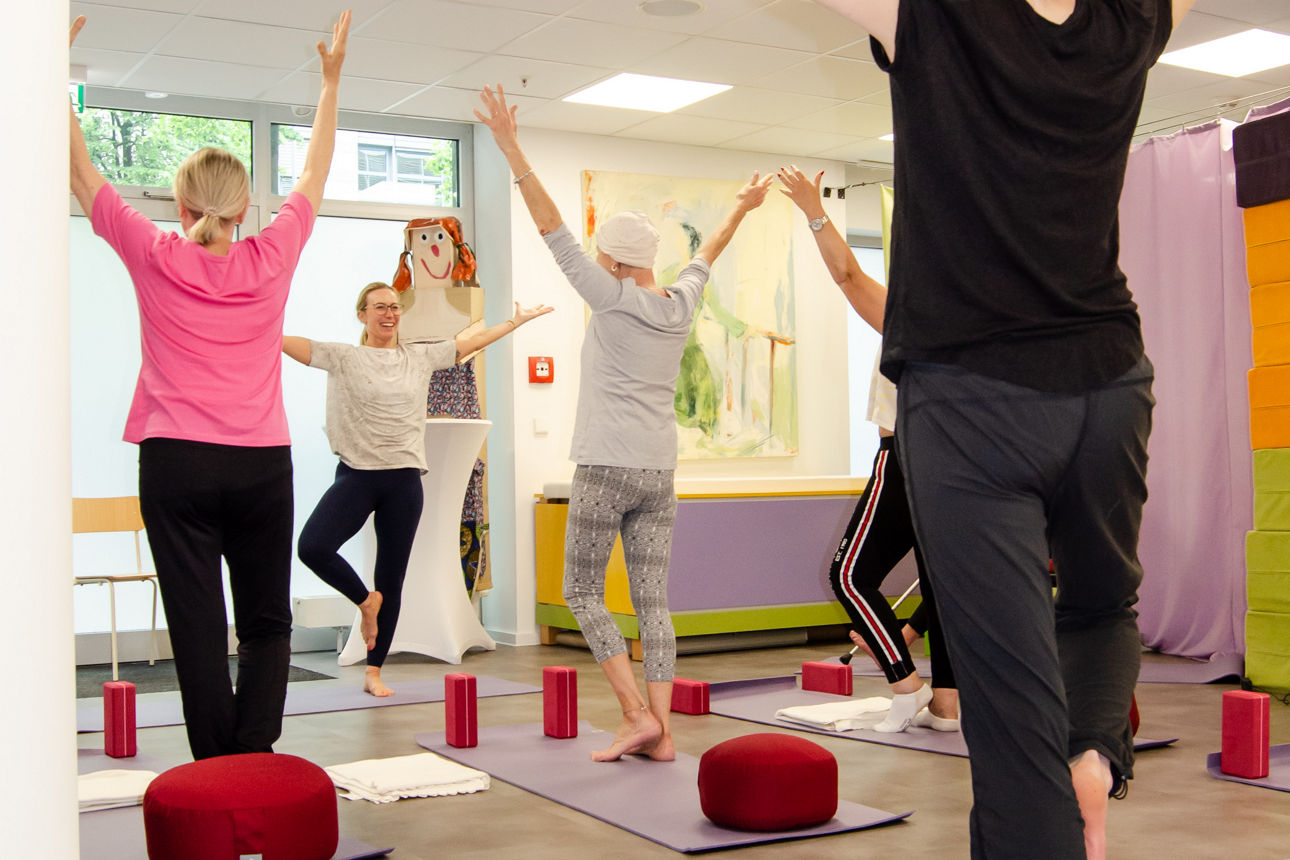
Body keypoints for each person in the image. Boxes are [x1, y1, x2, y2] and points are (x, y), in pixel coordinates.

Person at [808, 1, 1197, 857]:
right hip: (1111, 386)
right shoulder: (1128, 17)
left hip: (973, 395)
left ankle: (1059, 792)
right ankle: (1095, 751)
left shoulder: (932, 12)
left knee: (1009, 705)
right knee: (1100, 607)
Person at [68, 11, 350, 759]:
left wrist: (49, 79)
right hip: (260, 464)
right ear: (245, 206)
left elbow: (79, 170)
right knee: (266, 622)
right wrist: (329, 83)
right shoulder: (273, 252)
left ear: (180, 203)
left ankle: (218, 770)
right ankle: (253, 763)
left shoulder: (156, 252)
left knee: (196, 627)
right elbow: (316, 172)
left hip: (176, 464)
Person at [475, 83, 773, 763]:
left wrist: (511, 145)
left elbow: (550, 228)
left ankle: (635, 712)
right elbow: (712, 252)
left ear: (610, 258)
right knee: (653, 601)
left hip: (606, 466)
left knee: (580, 589)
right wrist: (741, 206)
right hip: (660, 470)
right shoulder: (681, 300)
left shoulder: (607, 297)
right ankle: (663, 734)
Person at [283, 284, 551, 696]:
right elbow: (296, 346)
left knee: (390, 577)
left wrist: (516, 321)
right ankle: (363, 600)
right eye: (379, 308)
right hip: (357, 475)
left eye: (393, 307)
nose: (388, 314)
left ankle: (374, 672)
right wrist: (252, 324)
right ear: (362, 315)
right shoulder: (344, 356)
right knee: (313, 546)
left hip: (404, 480)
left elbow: (469, 341)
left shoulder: (419, 357)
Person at [777, 165, 958, 733]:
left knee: (850, 576)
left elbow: (849, 275)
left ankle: (906, 685)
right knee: (940, 580)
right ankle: (948, 707)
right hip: (950, 459)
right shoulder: (972, 316)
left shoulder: (924, 315)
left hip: (907, 454)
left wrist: (814, 211)